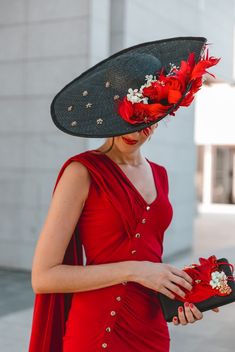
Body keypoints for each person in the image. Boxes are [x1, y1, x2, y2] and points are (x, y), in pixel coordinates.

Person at [28, 37, 220, 352]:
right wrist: (137, 270)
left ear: (164, 113)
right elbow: (43, 277)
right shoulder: (83, 172)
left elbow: (148, 258)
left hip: (151, 331)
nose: (137, 132)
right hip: (95, 334)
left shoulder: (161, 175)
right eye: (131, 118)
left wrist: (181, 290)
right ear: (114, 111)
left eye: (150, 120)